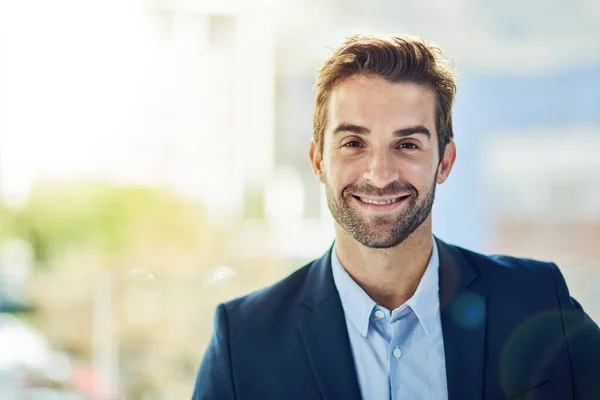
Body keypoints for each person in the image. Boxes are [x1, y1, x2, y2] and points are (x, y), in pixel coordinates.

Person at [192, 34, 600, 400]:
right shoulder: (243, 340)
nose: (380, 174)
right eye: (354, 143)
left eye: (406, 144)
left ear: (445, 162)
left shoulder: (538, 298)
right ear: (318, 160)